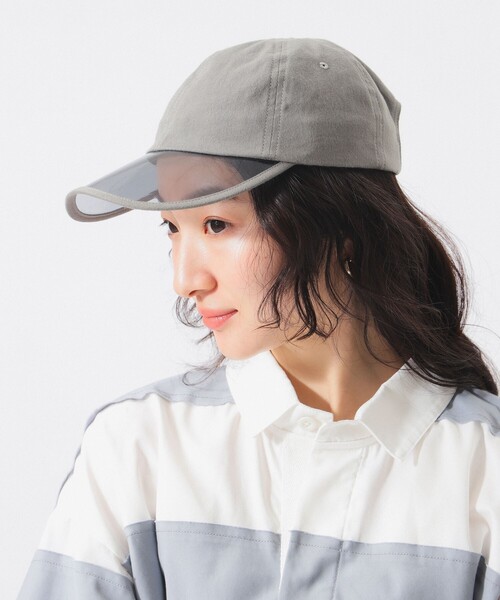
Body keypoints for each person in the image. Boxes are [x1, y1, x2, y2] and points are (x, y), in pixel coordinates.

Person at [18, 38, 500, 599]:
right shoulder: (137, 446)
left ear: (343, 227)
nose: (185, 279)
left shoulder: (482, 463)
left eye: (217, 225)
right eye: (172, 228)